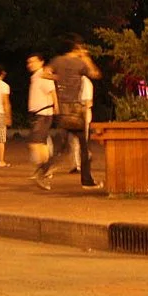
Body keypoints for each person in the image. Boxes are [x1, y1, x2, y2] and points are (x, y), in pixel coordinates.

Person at [36, 41, 100, 191]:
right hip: (76, 109)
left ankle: (42, 171)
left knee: (63, 147)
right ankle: (87, 181)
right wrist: (86, 57)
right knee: (84, 147)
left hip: (63, 108)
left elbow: (44, 73)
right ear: (76, 48)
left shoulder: (58, 60)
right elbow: (95, 74)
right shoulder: (79, 62)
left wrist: (58, 78)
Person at [24, 54, 58, 171]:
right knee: (40, 143)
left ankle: (47, 166)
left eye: (33, 61)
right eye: (29, 62)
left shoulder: (43, 75)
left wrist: (56, 107)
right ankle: (45, 168)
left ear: (41, 62)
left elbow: (52, 92)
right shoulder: (35, 77)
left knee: (34, 142)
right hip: (37, 113)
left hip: (43, 114)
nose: (30, 64)